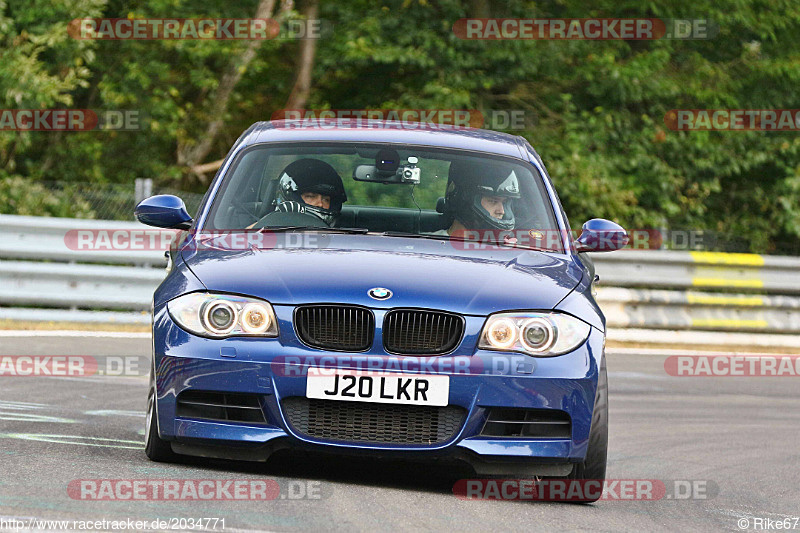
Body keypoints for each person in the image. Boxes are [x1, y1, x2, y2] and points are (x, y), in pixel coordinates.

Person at [433, 159, 521, 236]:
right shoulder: (431, 247)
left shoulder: (505, 251)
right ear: (465, 201)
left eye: (504, 203)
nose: (501, 211)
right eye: (493, 201)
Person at [270, 158, 348, 227]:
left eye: (326, 199)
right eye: (311, 196)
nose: (320, 204)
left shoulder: (340, 239)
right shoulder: (265, 234)